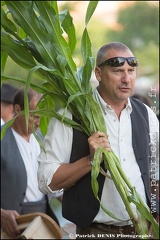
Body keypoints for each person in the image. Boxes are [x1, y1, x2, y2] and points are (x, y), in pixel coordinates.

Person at [37, 42, 159, 239]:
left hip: (144, 232)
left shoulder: (146, 114)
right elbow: (46, 180)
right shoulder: (70, 116)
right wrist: (90, 161)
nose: (126, 79)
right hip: (96, 233)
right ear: (98, 73)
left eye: (131, 71)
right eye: (118, 71)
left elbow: (157, 171)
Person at [1, 87, 60, 238]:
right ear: (17, 109)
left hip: (43, 220)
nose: (38, 122)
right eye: (34, 116)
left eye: (41, 117)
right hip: (10, 226)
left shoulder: (43, 138)